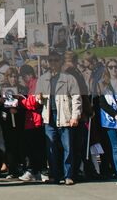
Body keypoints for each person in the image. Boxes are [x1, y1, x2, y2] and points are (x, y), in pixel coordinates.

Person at [36, 51, 82, 186]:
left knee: (67, 147)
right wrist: (39, 98)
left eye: (56, 60)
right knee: (51, 148)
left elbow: (76, 98)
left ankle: (68, 175)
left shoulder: (69, 78)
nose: (53, 63)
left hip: (65, 115)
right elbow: (37, 98)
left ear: (60, 61)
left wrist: (75, 116)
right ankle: (55, 175)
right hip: (49, 116)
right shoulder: (43, 78)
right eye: (51, 60)